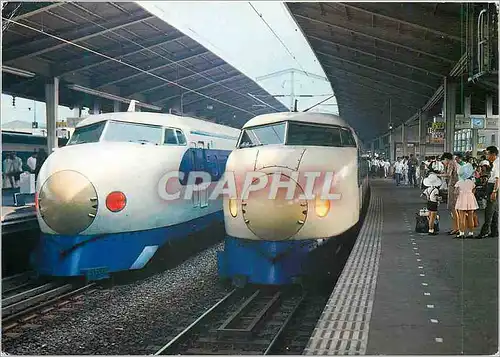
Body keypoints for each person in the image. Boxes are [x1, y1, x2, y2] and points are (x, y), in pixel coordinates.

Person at [476, 146, 499, 239]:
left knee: (489, 210)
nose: (486, 155)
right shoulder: (495, 162)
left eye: (487, 154)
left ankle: (484, 231)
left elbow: (498, 179)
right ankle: (494, 231)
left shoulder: (497, 164)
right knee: (494, 211)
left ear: (493, 154)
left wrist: (494, 191)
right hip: (492, 186)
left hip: (493, 187)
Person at [454, 163, 479, 238]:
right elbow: (474, 190)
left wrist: (457, 196)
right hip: (470, 199)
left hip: (462, 199)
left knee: (462, 217)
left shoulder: (459, 182)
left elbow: (455, 192)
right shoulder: (471, 182)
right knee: (471, 217)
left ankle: (461, 233)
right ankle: (471, 233)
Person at [439, 152, 460, 235]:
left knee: (453, 207)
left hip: (453, 186)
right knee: (454, 208)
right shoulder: (453, 163)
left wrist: (438, 174)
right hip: (454, 185)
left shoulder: (451, 163)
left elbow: (448, 174)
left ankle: (457, 228)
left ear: (446, 159)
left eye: (443, 160)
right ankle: (455, 228)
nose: (443, 162)